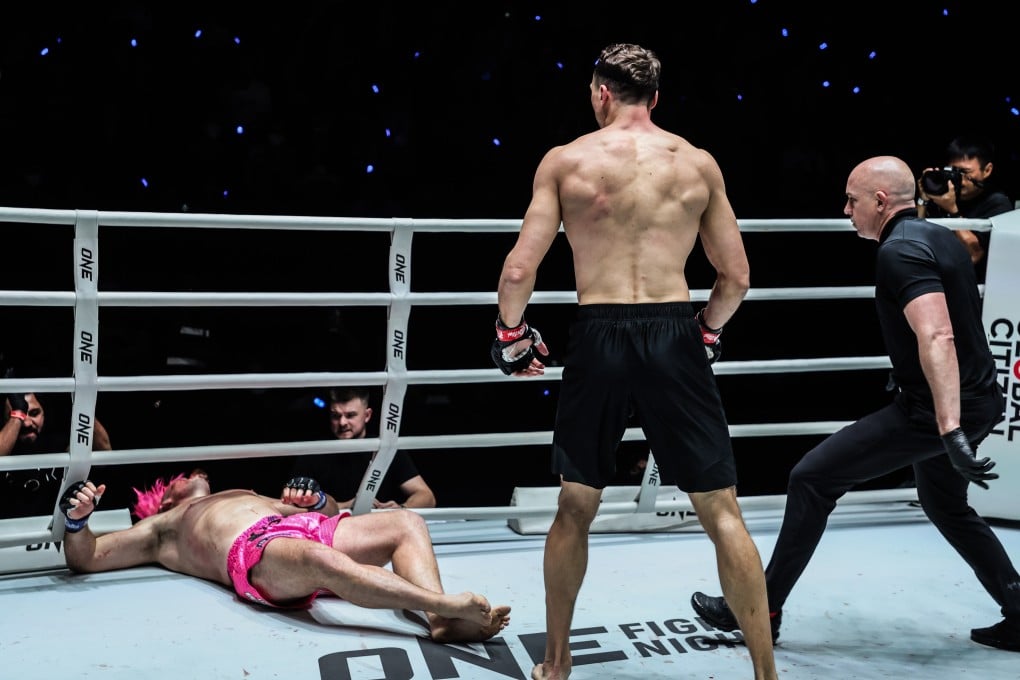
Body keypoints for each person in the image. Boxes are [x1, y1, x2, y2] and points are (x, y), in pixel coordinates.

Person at [492, 43, 777, 680]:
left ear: (600, 93)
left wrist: (511, 334)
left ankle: (558, 662)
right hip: (675, 331)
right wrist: (704, 332)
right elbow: (735, 278)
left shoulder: (568, 161)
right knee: (722, 510)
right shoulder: (697, 163)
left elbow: (518, 269)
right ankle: (766, 674)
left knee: (575, 505)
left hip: (599, 334)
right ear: (656, 97)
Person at [691, 155, 1020, 653]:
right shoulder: (937, 237)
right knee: (946, 505)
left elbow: (938, 334)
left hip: (934, 410)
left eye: (852, 199)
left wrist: (948, 429)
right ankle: (1019, 609)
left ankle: (761, 607)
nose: (846, 210)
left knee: (812, 478)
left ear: (880, 201)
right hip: (975, 399)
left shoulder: (900, 252)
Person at [58, 470, 511, 643]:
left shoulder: (243, 491)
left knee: (406, 523)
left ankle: (442, 622)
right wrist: (78, 523)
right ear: (162, 499)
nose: (192, 473)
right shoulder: (161, 527)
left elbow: (332, 511)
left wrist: (316, 502)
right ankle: (447, 604)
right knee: (322, 560)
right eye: (178, 478)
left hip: (300, 528)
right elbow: (89, 557)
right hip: (254, 550)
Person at [288, 387, 436, 510]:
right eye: (336, 416)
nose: (342, 422)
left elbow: (426, 496)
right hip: (332, 529)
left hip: (381, 528)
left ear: (367, 415)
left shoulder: (385, 448)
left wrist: (401, 509)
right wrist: (349, 506)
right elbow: (293, 507)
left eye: (350, 415)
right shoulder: (314, 452)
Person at [2, 380, 112, 518]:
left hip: (54, 531)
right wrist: (17, 415)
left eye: (34, 413)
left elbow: (104, 452)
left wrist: (82, 407)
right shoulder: (5, 447)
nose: (27, 423)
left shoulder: (58, 443)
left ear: (44, 413)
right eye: (21, 415)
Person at [916, 136, 1014, 273]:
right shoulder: (942, 194)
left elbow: (974, 255)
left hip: (972, 287)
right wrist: (923, 200)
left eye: (965, 172)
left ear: (987, 170)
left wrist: (952, 210)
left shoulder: (998, 203)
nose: (959, 178)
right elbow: (912, 242)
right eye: (954, 171)